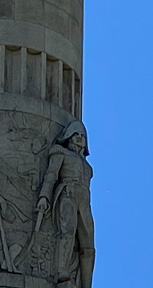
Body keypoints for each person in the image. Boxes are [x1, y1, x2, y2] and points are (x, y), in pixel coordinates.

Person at [35, 121, 94, 288]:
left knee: (88, 245)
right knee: (67, 233)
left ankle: (86, 283)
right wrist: (44, 196)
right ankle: (62, 271)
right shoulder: (61, 153)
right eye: (76, 134)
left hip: (84, 203)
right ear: (68, 136)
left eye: (83, 136)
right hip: (68, 195)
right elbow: (51, 175)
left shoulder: (88, 167)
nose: (80, 138)